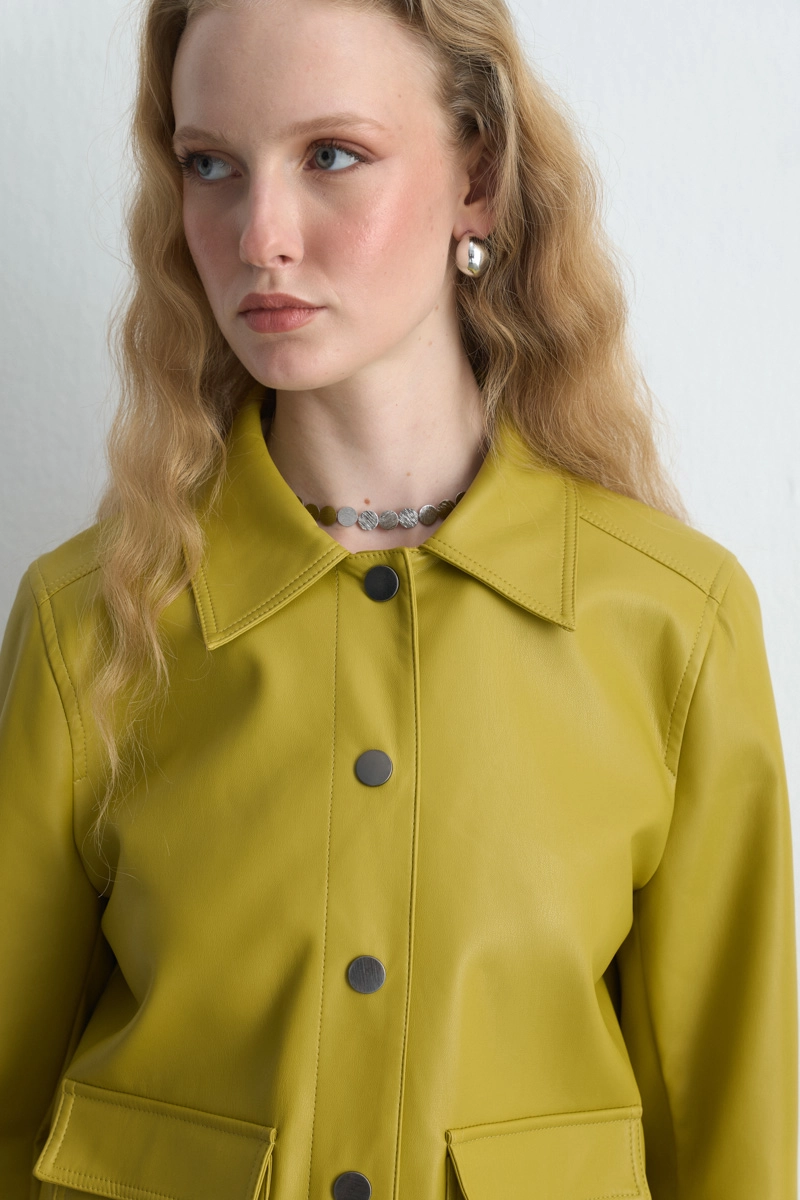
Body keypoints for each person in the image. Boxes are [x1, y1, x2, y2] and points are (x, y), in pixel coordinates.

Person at [0, 0, 795, 1196]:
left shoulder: (672, 626)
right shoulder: (91, 619)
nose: (259, 235)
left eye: (330, 155)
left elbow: (732, 1145)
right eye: (210, 165)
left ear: (475, 177)